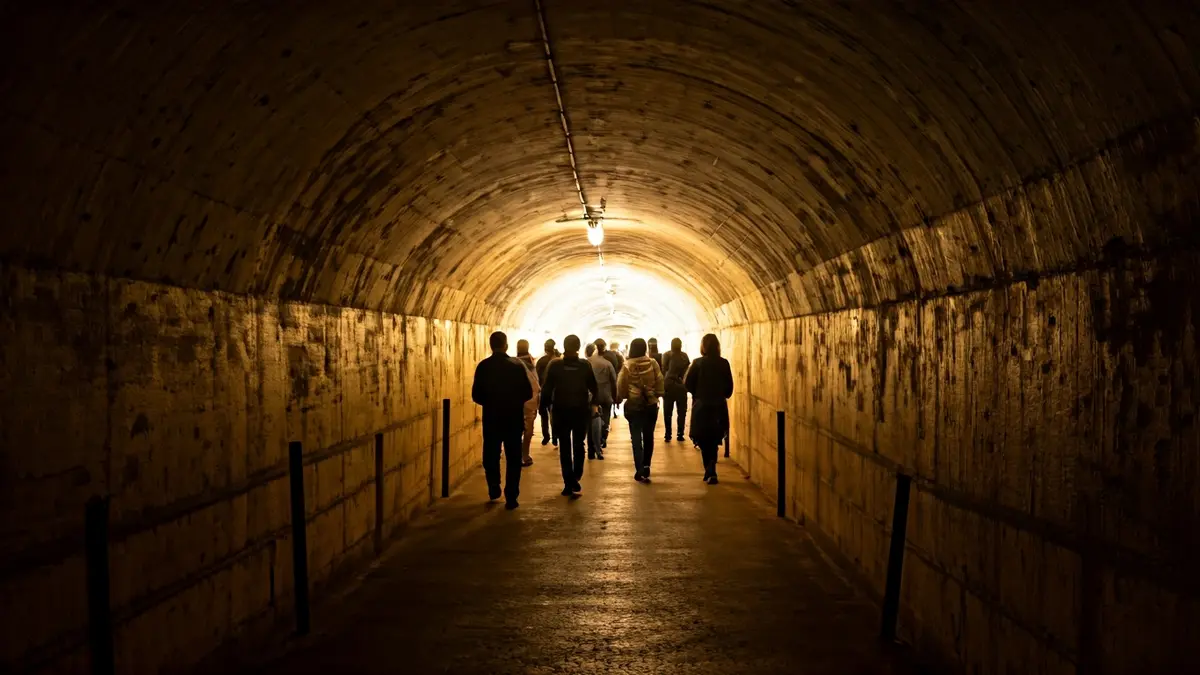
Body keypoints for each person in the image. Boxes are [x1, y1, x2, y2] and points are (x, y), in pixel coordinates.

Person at [471, 331, 533, 508]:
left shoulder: (483, 367)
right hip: (513, 418)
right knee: (513, 457)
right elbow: (528, 392)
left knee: (491, 454)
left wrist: (491, 402)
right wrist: (514, 401)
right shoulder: (517, 366)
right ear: (506, 346)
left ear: (491, 346)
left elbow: (476, 395)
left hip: (492, 418)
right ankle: (511, 496)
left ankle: (494, 485)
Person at [541, 335, 598, 496]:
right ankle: (576, 476)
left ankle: (568, 482)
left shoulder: (555, 366)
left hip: (561, 411)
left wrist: (543, 407)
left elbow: (547, 388)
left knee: (565, 447)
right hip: (580, 411)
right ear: (578, 347)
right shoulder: (584, 365)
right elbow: (594, 387)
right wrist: (594, 403)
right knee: (579, 444)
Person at [685, 333, 734, 485]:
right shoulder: (724, 363)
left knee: (703, 438)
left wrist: (697, 393)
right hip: (718, 406)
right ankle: (712, 465)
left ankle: (709, 467)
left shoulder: (697, 363)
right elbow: (729, 389)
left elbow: (688, 384)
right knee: (714, 437)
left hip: (701, 406)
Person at [616, 338, 665, 482]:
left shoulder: (627, 365)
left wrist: (626, 396)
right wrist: (656, 394)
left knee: (636, 437)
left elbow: (621, 386)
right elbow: (660, 381)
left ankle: (639, 468)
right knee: (649, 435)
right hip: (650, 404)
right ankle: (647, 465)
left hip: (634, 405)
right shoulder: (653, 363)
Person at [512, 339, 541, 467]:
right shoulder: (531, 363)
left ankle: (517, 455)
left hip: (517, 401)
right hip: (531, 401)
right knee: (528, 430)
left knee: (516, 429)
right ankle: (525, 455)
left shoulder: (514, 363)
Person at [586, 341, 618, 456]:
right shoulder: (607, 364)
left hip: (591, 397)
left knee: (591, 422)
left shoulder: (587, 363)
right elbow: (614, 381)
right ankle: (602, 440)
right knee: (605, 419)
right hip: (606, 396)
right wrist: (615, 397)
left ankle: (591, 449)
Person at [661, 337, 691, 443]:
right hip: (681, 386)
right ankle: (680, 434)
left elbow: (664, 369)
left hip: (669, 386)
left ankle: (668, 434)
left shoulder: (666, 355)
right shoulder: (684, 356)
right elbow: (687, 370)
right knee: (681, 412)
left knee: (667, 412)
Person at [535, 339, 557, 446]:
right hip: (555, 392)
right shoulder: (557, 360)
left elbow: (537, 377)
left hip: (544, 391)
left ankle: (546, 436)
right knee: (554, 415)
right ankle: (555, 437)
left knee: (544, 415)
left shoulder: (541, 361)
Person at [596, 338, 623, 419]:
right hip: (609, 388)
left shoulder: (592, 360)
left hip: (596, 391)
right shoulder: (613, 356)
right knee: (606, 411)